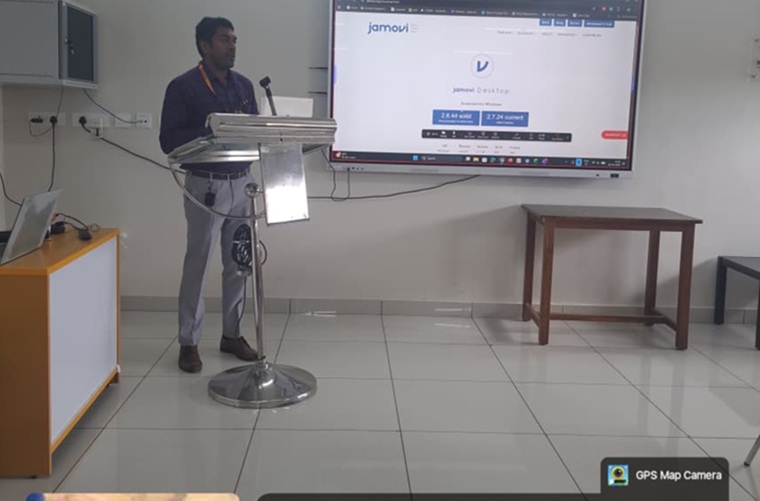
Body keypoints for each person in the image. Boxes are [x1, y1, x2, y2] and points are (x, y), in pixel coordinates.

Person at [159, 17, 259, 373]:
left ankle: (232, 335)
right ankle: (189, 342)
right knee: (198, 263)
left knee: (239, 263)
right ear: (204, 45)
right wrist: (209, 132)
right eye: (224, 39)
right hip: (206, 185)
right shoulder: (183, 87)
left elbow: (253, 130)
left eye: (234, 39)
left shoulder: (244, 86)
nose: (232, 46)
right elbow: (168, 141)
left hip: (242, 183)